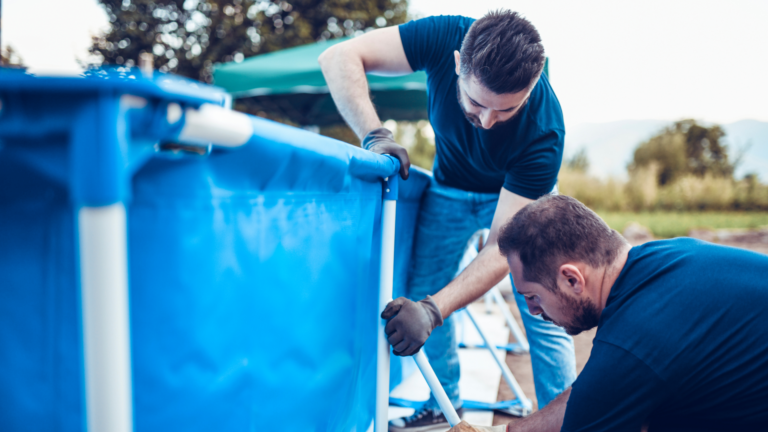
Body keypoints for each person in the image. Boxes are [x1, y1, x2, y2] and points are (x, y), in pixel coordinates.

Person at [319, 10, 576, 430]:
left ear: (532, 84)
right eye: (476, 102)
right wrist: (374, 134)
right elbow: (338, 57)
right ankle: (443, 404)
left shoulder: (545, 131)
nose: (488, 122)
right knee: (425, 285)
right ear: (457, 63)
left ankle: (567, 422)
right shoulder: (443, 35)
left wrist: (433, 311)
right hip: (450, 188)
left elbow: (501, 247)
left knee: (544, 308)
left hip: (516, 196)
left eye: (506, 109)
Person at [453, 194, 768, 431]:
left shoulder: (634, 340)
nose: (533, 311)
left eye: (533, 296)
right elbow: (591, 393)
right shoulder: (661, 259)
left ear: (572, 279)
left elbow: (602, 394)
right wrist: (509, 430)